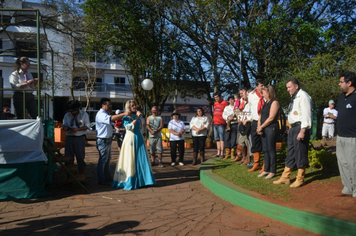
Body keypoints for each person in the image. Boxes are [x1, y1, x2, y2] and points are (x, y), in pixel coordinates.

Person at [273, 77, 312, 188]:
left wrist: (303, 130)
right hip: (293, 128)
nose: (287, 89)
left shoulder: (303, 96)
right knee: (290, 152)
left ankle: (300, 178)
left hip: (300, 128)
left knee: (300, 152)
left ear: (296, 86)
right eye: (287, 87)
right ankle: (285, 176)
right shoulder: (294, 97)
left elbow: (306, 115)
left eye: (289, 87)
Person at [112, 100, 156, 190]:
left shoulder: (138, 115)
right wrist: (136, 117)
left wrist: (138, 117)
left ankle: (144, 180)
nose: (134, 107)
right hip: (130, 138)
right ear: (128, 107)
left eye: (134, 105)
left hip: (139, 138)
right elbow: (129, 127)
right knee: (130, 159)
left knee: (141, 158)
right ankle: (131, 180)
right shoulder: (126, 117)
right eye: (132, 105)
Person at [96, 98, 129, 185]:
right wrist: (123, 114)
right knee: (103, 160)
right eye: (108, 105)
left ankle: (107, 177)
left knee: (107, 160)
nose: (110, 106)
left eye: (111, 105)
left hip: (108, 139)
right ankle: (101, 179)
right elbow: (111, 119)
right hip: (103, 140)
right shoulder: (101, 114)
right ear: (103, 105)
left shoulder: (106, 114)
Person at [336, 71, 356, 197]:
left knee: (353, 164)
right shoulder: (340, 97)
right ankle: (348, 186)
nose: (339, 84)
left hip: (353, 137)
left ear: (349, 83)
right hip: (341, 136)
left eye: (341, 82)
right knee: (342, 162)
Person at [62, 100, 90, 181]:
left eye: (74, 111)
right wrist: (65, 128)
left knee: (80, 157)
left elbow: (87, 126)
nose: (72, 112)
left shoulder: (84, 114)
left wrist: (78, 129)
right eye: (71, 111)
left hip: (80, 137)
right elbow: (64, 126)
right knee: (68, 157)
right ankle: (70, 177)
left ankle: (81, 176)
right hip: (69, 137)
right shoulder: (67, 115)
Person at [256, 86, 280, 179]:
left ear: (268, 93)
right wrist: (259, 127)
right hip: (263, 129)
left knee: (271, 149)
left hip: (271, 128)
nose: (263, 95)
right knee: (265, 149)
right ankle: (266, 169)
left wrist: (261, 126)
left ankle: (272, 170)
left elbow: (271, 118)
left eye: (264, 93)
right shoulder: (265, 103)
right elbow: (260, 116)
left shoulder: (275, 102)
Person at [246, 79, 265, 172]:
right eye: (261, 85)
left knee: (265, 143)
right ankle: (256, 163)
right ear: (256, 86)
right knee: (255, 142)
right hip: (254, 121)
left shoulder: (267, 93)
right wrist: (249, 119)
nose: (263, 87)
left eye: (264, 85)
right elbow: (249, 108)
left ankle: (266, 164)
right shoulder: (251, 95)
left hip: (265, 122)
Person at [234, 88, 253, 165]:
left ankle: (248, 159)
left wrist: (244, 119)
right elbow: (243, 113)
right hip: (243, 124)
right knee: (241, 142)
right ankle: (244, 158)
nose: (242, 96)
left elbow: (249, 114)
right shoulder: (245, 103)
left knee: (247, 142)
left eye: (244, 94)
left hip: (248, 124)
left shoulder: (250, 103)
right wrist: (239, 117)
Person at [212, 92, 229, 158]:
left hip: (222, 123)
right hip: (215, 123)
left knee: (222, 138)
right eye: (215, 98)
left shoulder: (225, 103)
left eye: (217, 97)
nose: (216, 99)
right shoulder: (215, 104)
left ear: (220, 97)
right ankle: (218, 152)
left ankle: (222, 153)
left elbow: (227, 112)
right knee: (217, 139)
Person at [222, 96, 238, 160]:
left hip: (234, 123)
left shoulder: (236, 107)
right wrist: (228, 118)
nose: (231, 101)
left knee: (234, 138)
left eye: (232, 99)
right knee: (227, 138)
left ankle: (232, 153)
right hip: (228, 124)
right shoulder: (226, 108)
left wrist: (233, 117)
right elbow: (223, 115)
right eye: (230, 100)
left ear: (234, 100)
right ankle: (227, 153)